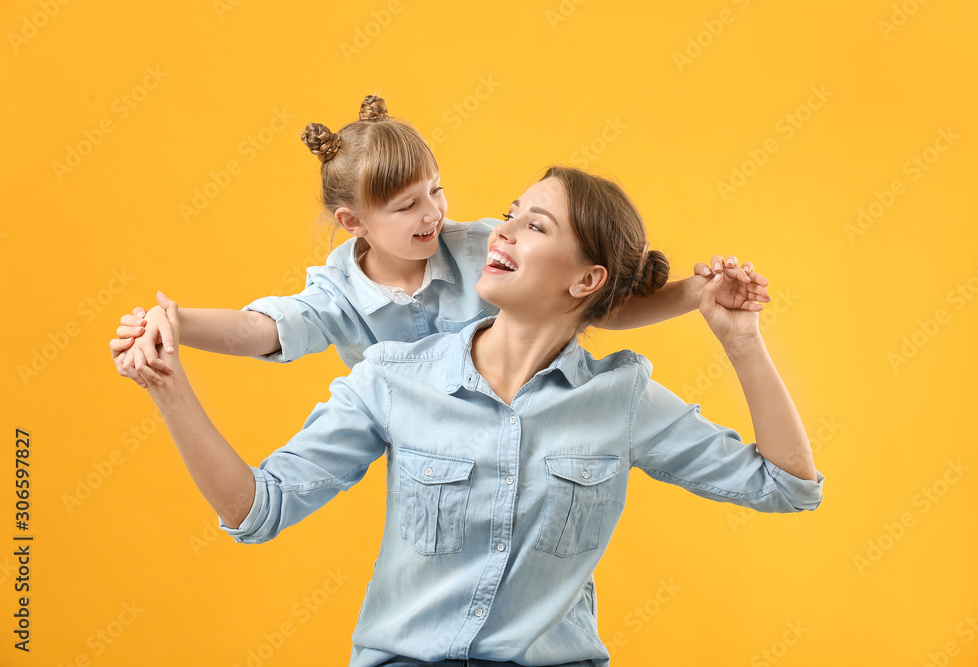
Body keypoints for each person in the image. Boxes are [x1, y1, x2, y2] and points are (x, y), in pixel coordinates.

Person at [117, 165, 823, 667]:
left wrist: (741, 341)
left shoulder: (622, 397)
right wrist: (169, 386)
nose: (500, 232)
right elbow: (256, 509)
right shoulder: (394, 378)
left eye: (534, 224)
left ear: (586, 280)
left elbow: (788, 485)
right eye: (509, 213)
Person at [110, 95, 769, 386]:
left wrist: (695, 292)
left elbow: (592, 301)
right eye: (406, 207)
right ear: (354, 225)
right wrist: (177, 321)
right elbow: (262, 329)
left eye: (437, 190)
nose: (433, 213)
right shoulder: (340, 294)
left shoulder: (485, 244)